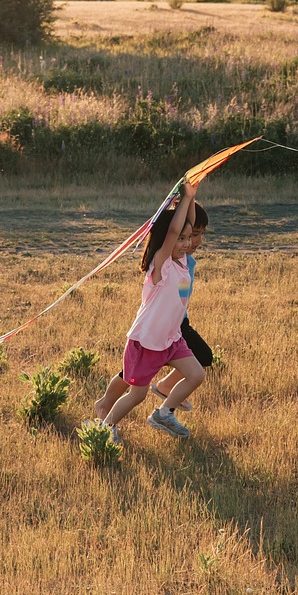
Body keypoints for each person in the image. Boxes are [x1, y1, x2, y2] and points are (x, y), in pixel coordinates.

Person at [95, 181, 206, 443]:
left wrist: (188, 199)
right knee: (136, 395)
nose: (186, 243)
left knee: (196, 374)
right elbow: (174, 230)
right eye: (180, 239)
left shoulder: (181, 263)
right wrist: (186, 199)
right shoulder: (162, 266)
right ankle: (106, 426)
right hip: (146, 342)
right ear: (166, 240)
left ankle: (163, 414)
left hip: (170, 340)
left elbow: (183, 226)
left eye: (188, 239)